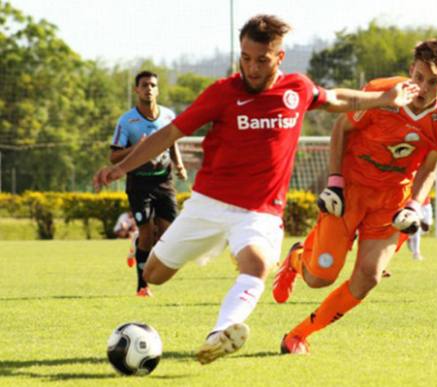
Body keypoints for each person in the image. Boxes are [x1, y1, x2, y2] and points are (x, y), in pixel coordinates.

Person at [93, 15, 419, 365]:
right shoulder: (222, 92)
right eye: (245, 58)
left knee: (259, 264)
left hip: (260, 211)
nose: (251, 67)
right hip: (209, 204)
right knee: (154, 273)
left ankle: (221, 333)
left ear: (279, 58)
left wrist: (385, 98)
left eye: (261, 59)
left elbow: (336, 98)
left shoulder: (297, 89)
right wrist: (121, 167)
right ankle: (173, 256)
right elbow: (170, 133)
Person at [272, 39, 437, 355]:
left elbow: (431, 166)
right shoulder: (382, 92)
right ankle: (296, 257)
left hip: (392, 200)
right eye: (418, 77)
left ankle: (298, 335)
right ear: (410, 71)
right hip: (351, 190)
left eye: (433, 82)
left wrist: (415, 205)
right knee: (320, 277)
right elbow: (340, 129)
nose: (424, 87)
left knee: (369, 277)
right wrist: (334, 183)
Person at [110, 70, 188, 297]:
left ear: (158, 89)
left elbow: (172, 142)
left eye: (153, 85)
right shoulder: (127, 121)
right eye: (144, 85)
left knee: (168, 234)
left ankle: (138, 248)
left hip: (164, 181)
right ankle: (142, 287)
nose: (149, 89)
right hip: (139, 183)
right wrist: (138, 148)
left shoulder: (168, 116)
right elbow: (113, 157)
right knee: (146, 233)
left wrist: (179, 164)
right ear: (137, 90)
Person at [407, 196, 433, 261]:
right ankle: (416, 254)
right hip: (415, 203)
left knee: (426, 228)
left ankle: (409, 236)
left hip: (426, 203)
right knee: (417, 228)